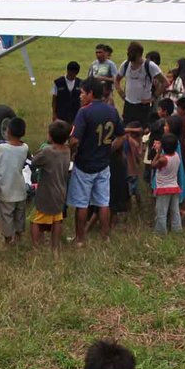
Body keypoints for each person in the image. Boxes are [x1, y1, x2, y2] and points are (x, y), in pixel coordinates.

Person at [68, 79, 122, 245]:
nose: (80, 96)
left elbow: (75, 140)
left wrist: (70, 152)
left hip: (85, 164)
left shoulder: (84, 112)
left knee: (82, 203)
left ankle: (80, 238)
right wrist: (109, 149)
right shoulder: (112, 111)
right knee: (103, 202)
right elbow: (121, 135)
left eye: (83, 93)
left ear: (91, 93)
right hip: (103, 163)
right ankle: (105, 237)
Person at [30, 121, 72, 252]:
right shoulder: (67, 150)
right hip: (60, 192)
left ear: (51, 137)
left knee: (35, 221)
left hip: (46, 193)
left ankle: (36, 247)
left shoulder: (47, 151)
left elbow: (34, 162)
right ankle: (55, 247)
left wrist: (39, 151)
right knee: (57, 220)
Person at [0, 116, 30, 244]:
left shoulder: (0, 149)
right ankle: (19, 236)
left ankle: (8, 240)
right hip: (20, 189)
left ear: (8, 132)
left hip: (5, 190)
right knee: (20, 215)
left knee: (6, 217)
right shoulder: (25, 148)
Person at [116, 42, 164, 128]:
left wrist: (154, 97)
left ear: (138, 53)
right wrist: (121, 93)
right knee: (126, 129)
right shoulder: (126, 65)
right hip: (128, 105)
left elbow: (165, 82)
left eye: (130, 52)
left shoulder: (149, 66)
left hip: (143, 106)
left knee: (141, 130)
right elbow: (117, 80)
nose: (127, 54)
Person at [148, 131, 183, 234]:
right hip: (174, 187)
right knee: (175, 210)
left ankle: (160, 231)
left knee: (161, 212)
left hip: (163, 188)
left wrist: (158, 152)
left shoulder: (163, 160)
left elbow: (153, 165)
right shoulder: (176, 155)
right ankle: (177, 229)